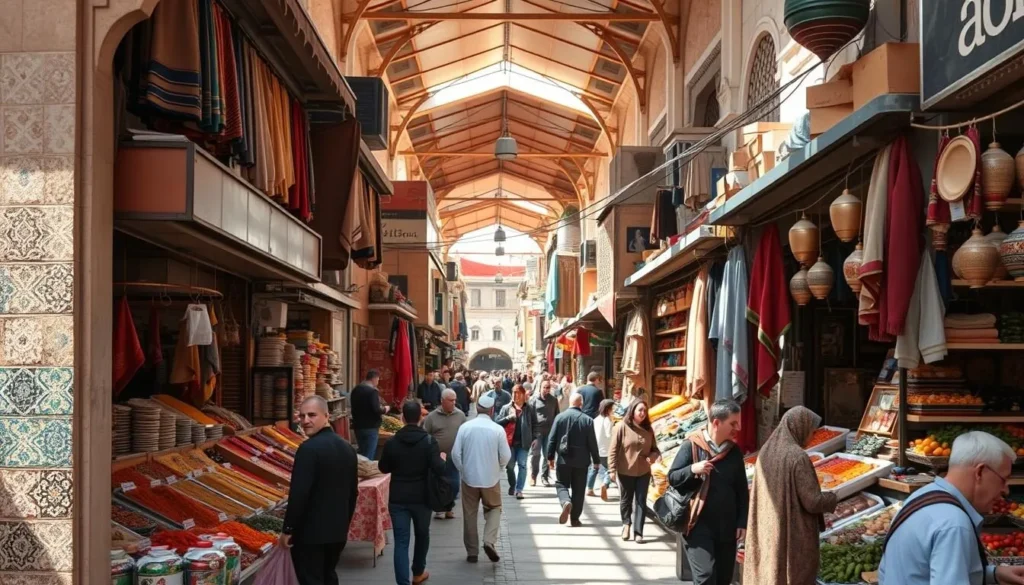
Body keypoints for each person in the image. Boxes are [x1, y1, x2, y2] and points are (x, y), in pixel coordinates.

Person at [879, 431, 1024, 585]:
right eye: (1003, 479)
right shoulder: (954, 524)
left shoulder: (921, 496)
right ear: (980, 472)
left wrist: (994, 574)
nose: (1005, 490)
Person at [743, 406, 837, 585]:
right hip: (791, 533)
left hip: (767, 528)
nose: (812, 437)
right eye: (811, 432)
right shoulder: (797, 456)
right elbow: (812, 501)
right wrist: (833, 498)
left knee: (770, 571)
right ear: (800, 428)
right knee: (791, 574)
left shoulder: (766, 450)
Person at [669, 399, 748, 584]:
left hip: (727, 528)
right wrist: (692, 469)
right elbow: (672, 477)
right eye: (733, 423)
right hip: (697, 526)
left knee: (723, 579)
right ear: (716, 423)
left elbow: (742, 491)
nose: (738, 428)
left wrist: (742, 522)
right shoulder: (692, 445)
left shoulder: (734, 452)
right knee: (705, 576)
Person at [281, 396, 358, 585]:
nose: (305, 420)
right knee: (329, 576)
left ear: (326, 416)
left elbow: (299, 493)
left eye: (312, 415)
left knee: (311, 578)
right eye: (302, 416)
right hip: (337, 532)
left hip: (311, 534)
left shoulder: (308, 449)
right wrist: (344, 523)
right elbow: (352, 494)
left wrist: (288, 529)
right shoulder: (347, 448)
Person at [378, 399, 447, 585]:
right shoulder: (429, 441)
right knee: (422, 535)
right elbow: (439, 469)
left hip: (398, 498)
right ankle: (418, 571)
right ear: (420, 418)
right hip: (422, 497)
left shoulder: (392, 442)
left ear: (402, 417)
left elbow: (383, 468)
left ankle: (403, 582)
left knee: (401, 542)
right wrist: (442, 458)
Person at [452, 393, 511, 563]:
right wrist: (498, 467)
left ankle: (472, 552)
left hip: (469, 479)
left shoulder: (465, 427)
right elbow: (506, 456)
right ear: (491, 410)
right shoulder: (497, 429)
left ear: (477, 409)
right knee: (494, 508)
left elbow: (455, 454)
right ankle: (489, 541)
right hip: (490, 478)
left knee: (470, 514)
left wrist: (463, 470)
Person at [608, 399, 660, 543]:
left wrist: (653, 456)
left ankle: (639, 532)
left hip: (644, 471)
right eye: (640, 410)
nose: (642, 413)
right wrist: (611, 469)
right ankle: (626, 524)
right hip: (626, 470)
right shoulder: (621, 427)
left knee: (641, 501)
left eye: (645, 411)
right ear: (632, 411)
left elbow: (655, 449)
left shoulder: (649, 430)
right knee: (626, 500)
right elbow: (613, 450)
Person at [546, 392, 600, 526]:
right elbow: (592, 443)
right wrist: (596, 460)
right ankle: (575, 519)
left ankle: (565, 501)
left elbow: (552, 439)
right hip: (582, 461)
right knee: (579, 490)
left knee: (561, 484)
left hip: (563, 459)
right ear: (581, 404)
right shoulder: (588, 420)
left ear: (570, 402)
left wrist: (550, 457)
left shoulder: (560, 417)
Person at [423, 389, 467, 519]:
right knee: (439, 484)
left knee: (454, 484)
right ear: (442, 401)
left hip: (454, 456)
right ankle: (440, 508)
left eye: (455, 400)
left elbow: (465, 434)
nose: (454, 403)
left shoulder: (460, 416)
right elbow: (425, 435)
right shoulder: (432, 417)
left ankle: (449, 506)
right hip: (437, 457)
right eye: (450, 400)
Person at [496, 385, 534, 499]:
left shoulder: (529, 408)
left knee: (522, 465)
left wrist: (535, 438)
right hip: (509, 442)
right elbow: (497, 422)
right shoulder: (506, 408)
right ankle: (513, 485)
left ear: (523, 394)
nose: (514, 395)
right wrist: (508, 418)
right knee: (510, 467)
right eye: (513, 392)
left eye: (517, 392)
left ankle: (519, 489)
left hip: (524, 443)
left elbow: (535, 424)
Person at [349, 370, 388, 459]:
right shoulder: (372, 391)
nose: (378, 382)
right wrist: (385, 409)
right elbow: (376, 409)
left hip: (358, 426)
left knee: (362, 453)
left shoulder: (356, 390)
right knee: (369, 455)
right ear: (374, 379)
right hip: (370, 427)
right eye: (378, 380)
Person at [529, 379, 560, 487]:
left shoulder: (553, 400)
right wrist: (531, 434)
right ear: (540, 388)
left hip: (549, 432)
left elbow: (557, 415)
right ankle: (533, 475)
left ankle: (545, 477)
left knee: (548, 455)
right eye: (544, 387)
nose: (546, 389)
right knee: (535, 454)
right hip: (537, 432)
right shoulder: (533, 400)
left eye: (548, 387)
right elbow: (530, 418)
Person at [587, 398, 616, 501]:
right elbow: (609, 435)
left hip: (595, 449)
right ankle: (605, 484)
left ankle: (590, 489)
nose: (613, 410)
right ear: (608, 409)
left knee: (594, 468)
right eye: (612, 408)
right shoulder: (607, 420)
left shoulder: (596, 419)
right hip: (605, 450)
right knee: (610, 469)